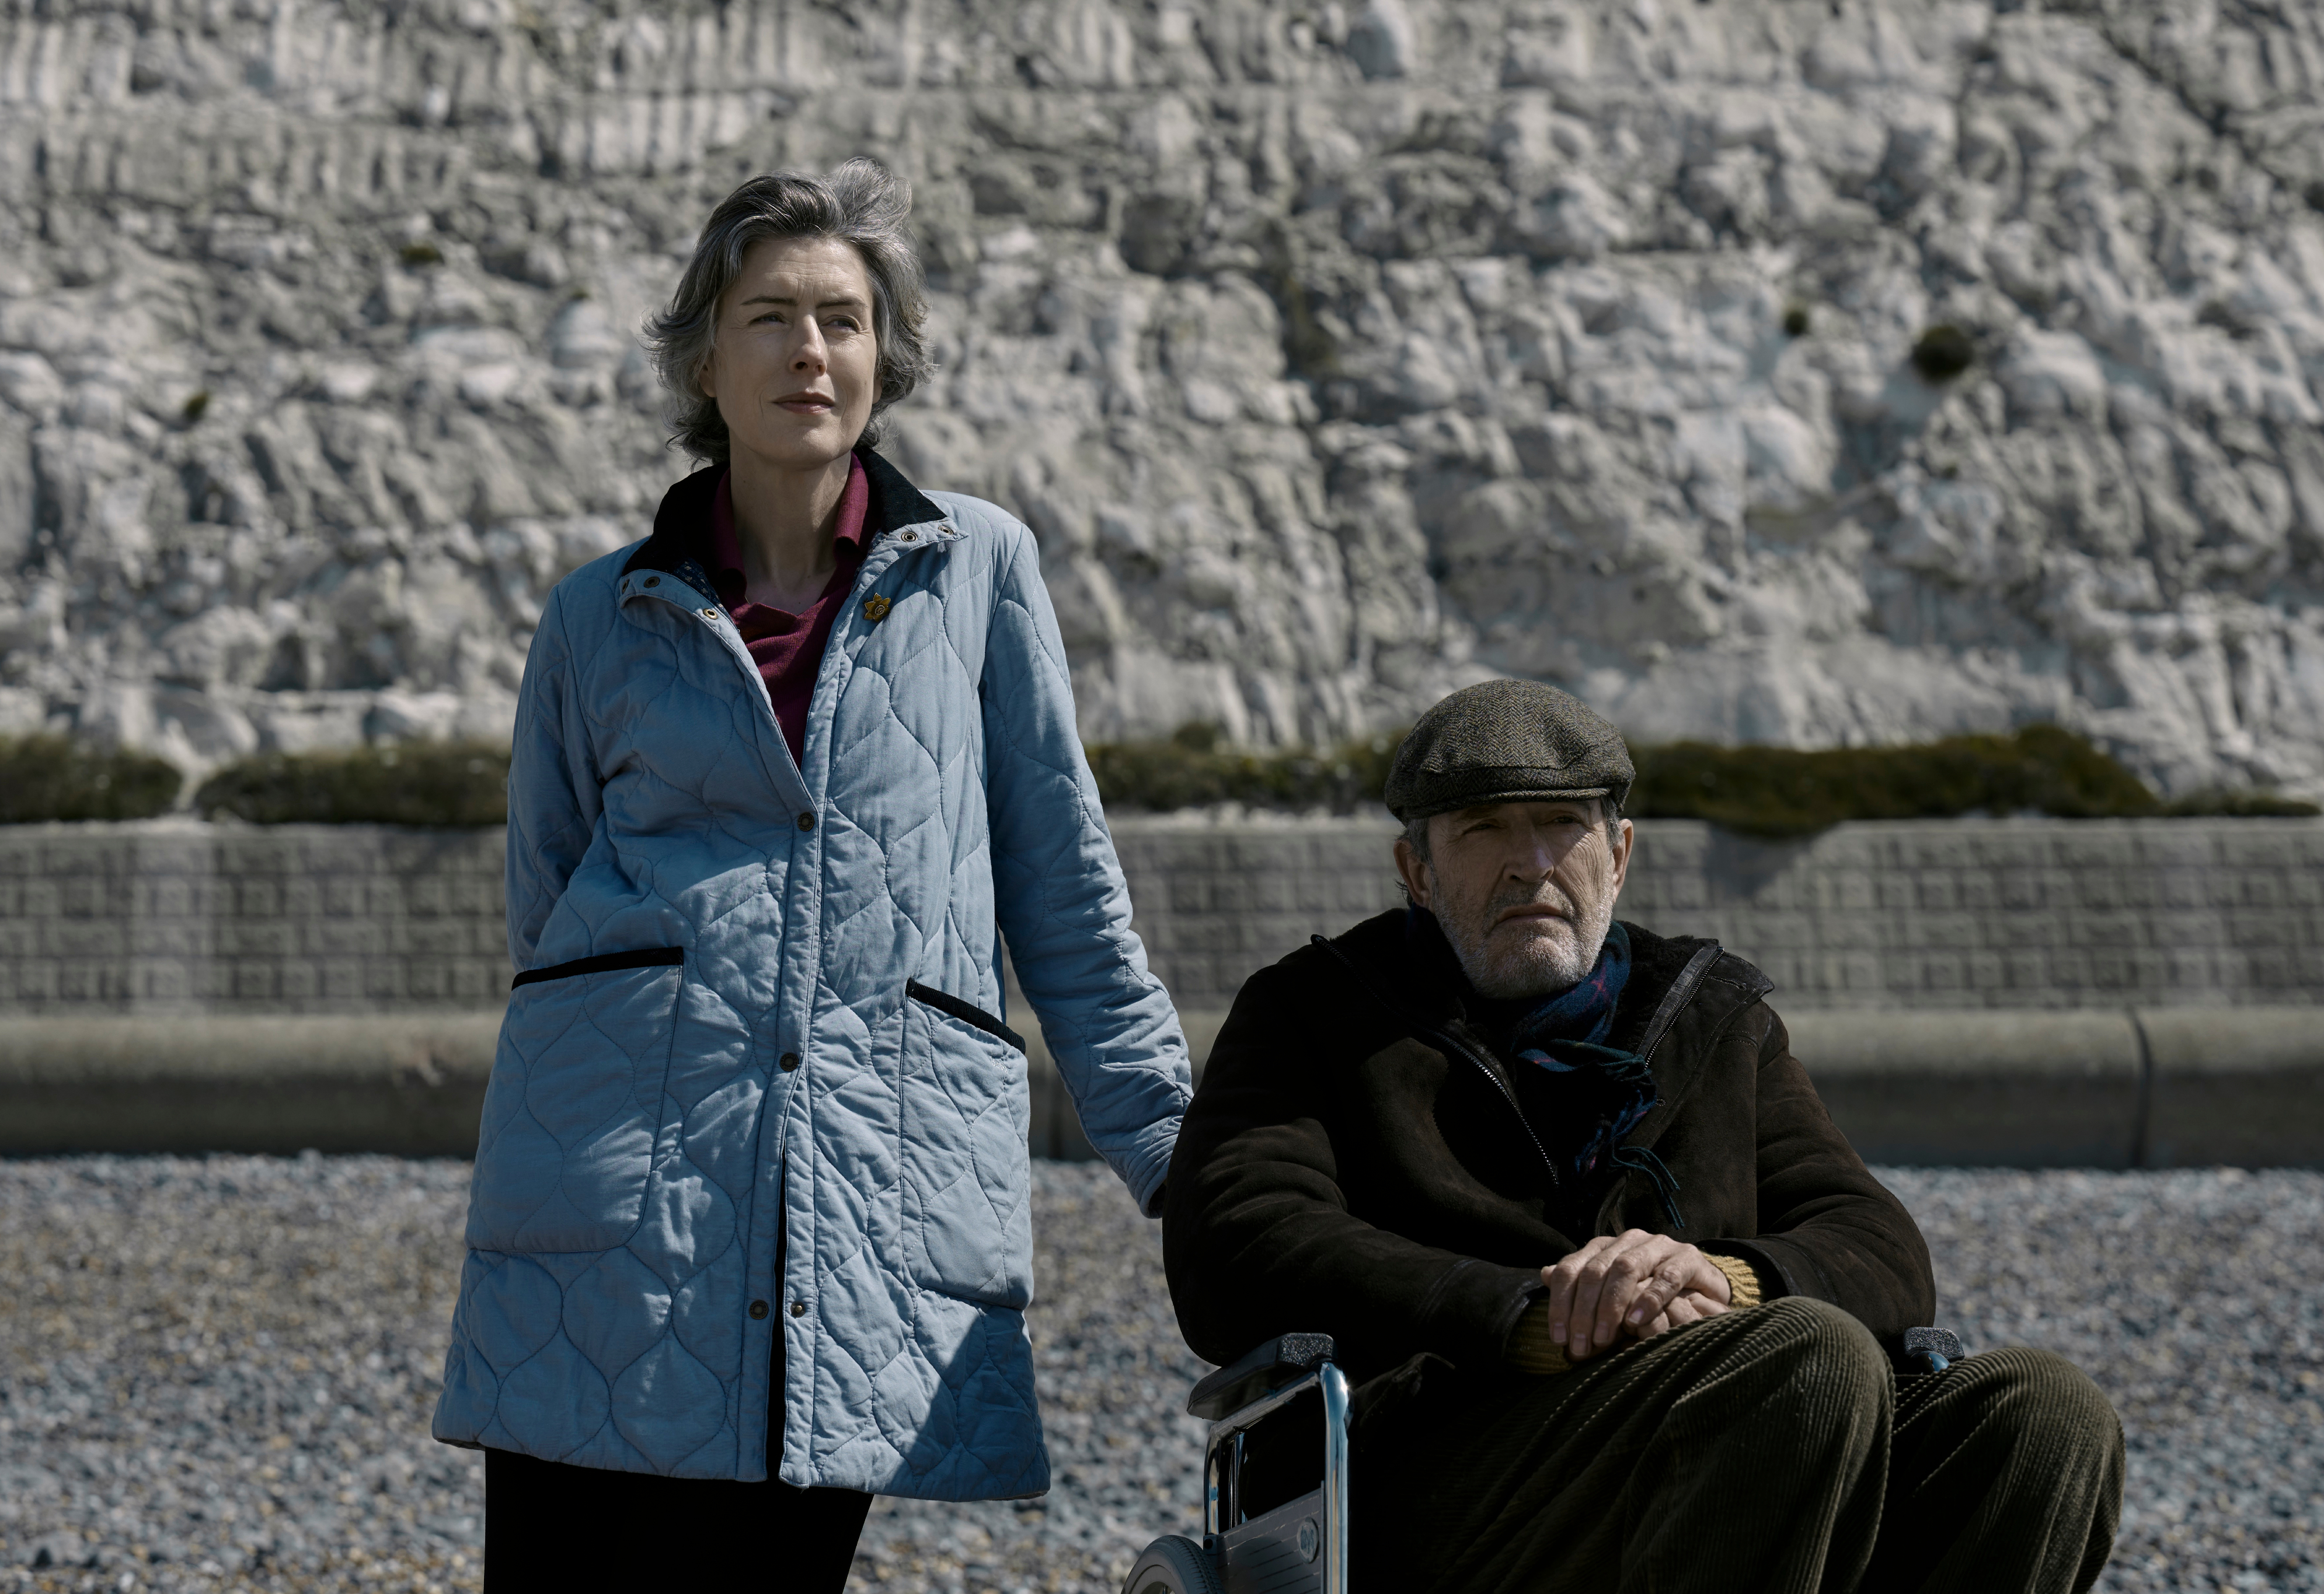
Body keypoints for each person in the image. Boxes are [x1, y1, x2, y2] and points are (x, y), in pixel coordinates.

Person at [433, 160, 1189, 1591]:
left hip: (859, 1192)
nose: (809, 350)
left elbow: (1067, 898)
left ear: (884, 357)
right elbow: (549, 914)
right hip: (612, 1211)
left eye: (841, 317)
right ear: (703, 357)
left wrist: (1188, 1168)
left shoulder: (981, 571)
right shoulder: (594, 614)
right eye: (769, 315)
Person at [1162, 678, 2124, 1593]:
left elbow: (1875, 1243)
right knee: (1804, 1360)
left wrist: (1725, 1280)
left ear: (1618, 855)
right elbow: (1239, 1240)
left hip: (1734, 1413)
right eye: (1484, 829)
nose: (1531, 864)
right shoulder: (1317, 1012)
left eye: (1562, 827)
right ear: (1417, 869)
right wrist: (1525, 1316)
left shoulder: (1711, 1017)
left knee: (2041, 1417)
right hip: (1447, 1456)